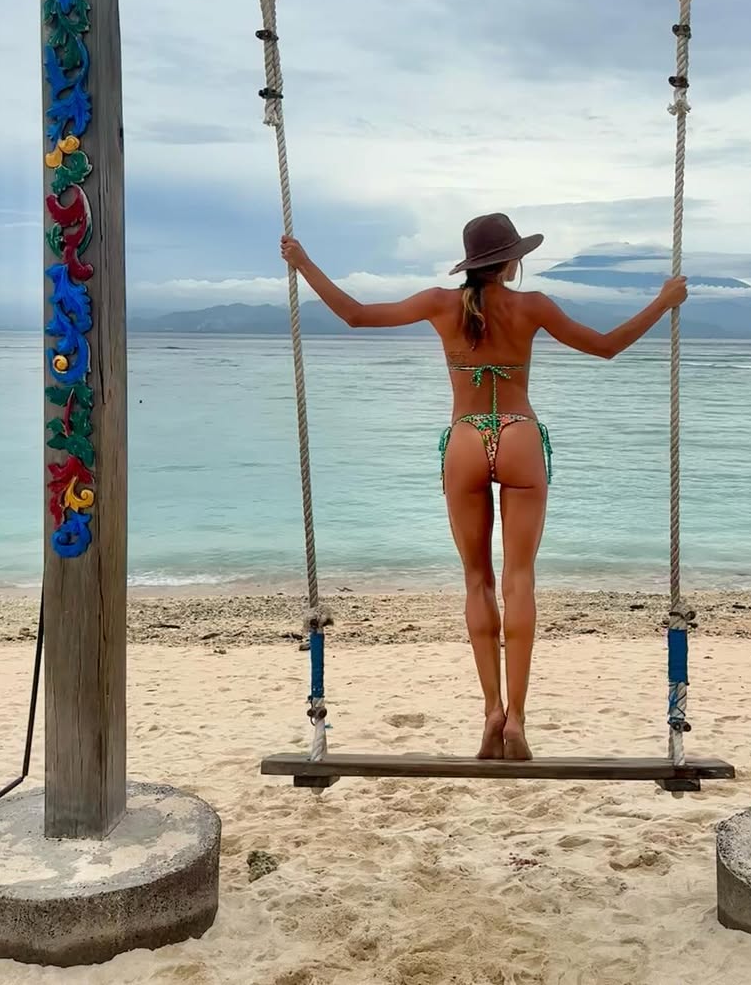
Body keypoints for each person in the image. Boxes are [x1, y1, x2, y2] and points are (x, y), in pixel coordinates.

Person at [280, 213, 688, 762]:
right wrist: (663, 301)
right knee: (519, 580)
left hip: (466, 439)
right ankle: (517, 719)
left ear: (470, 263)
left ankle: (492, 711)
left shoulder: (438, 303)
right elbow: (606, 346)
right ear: (511, 261)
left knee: (477, 580)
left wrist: (303, 262)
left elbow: (354, 315)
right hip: (519, 435)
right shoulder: (533, 306)